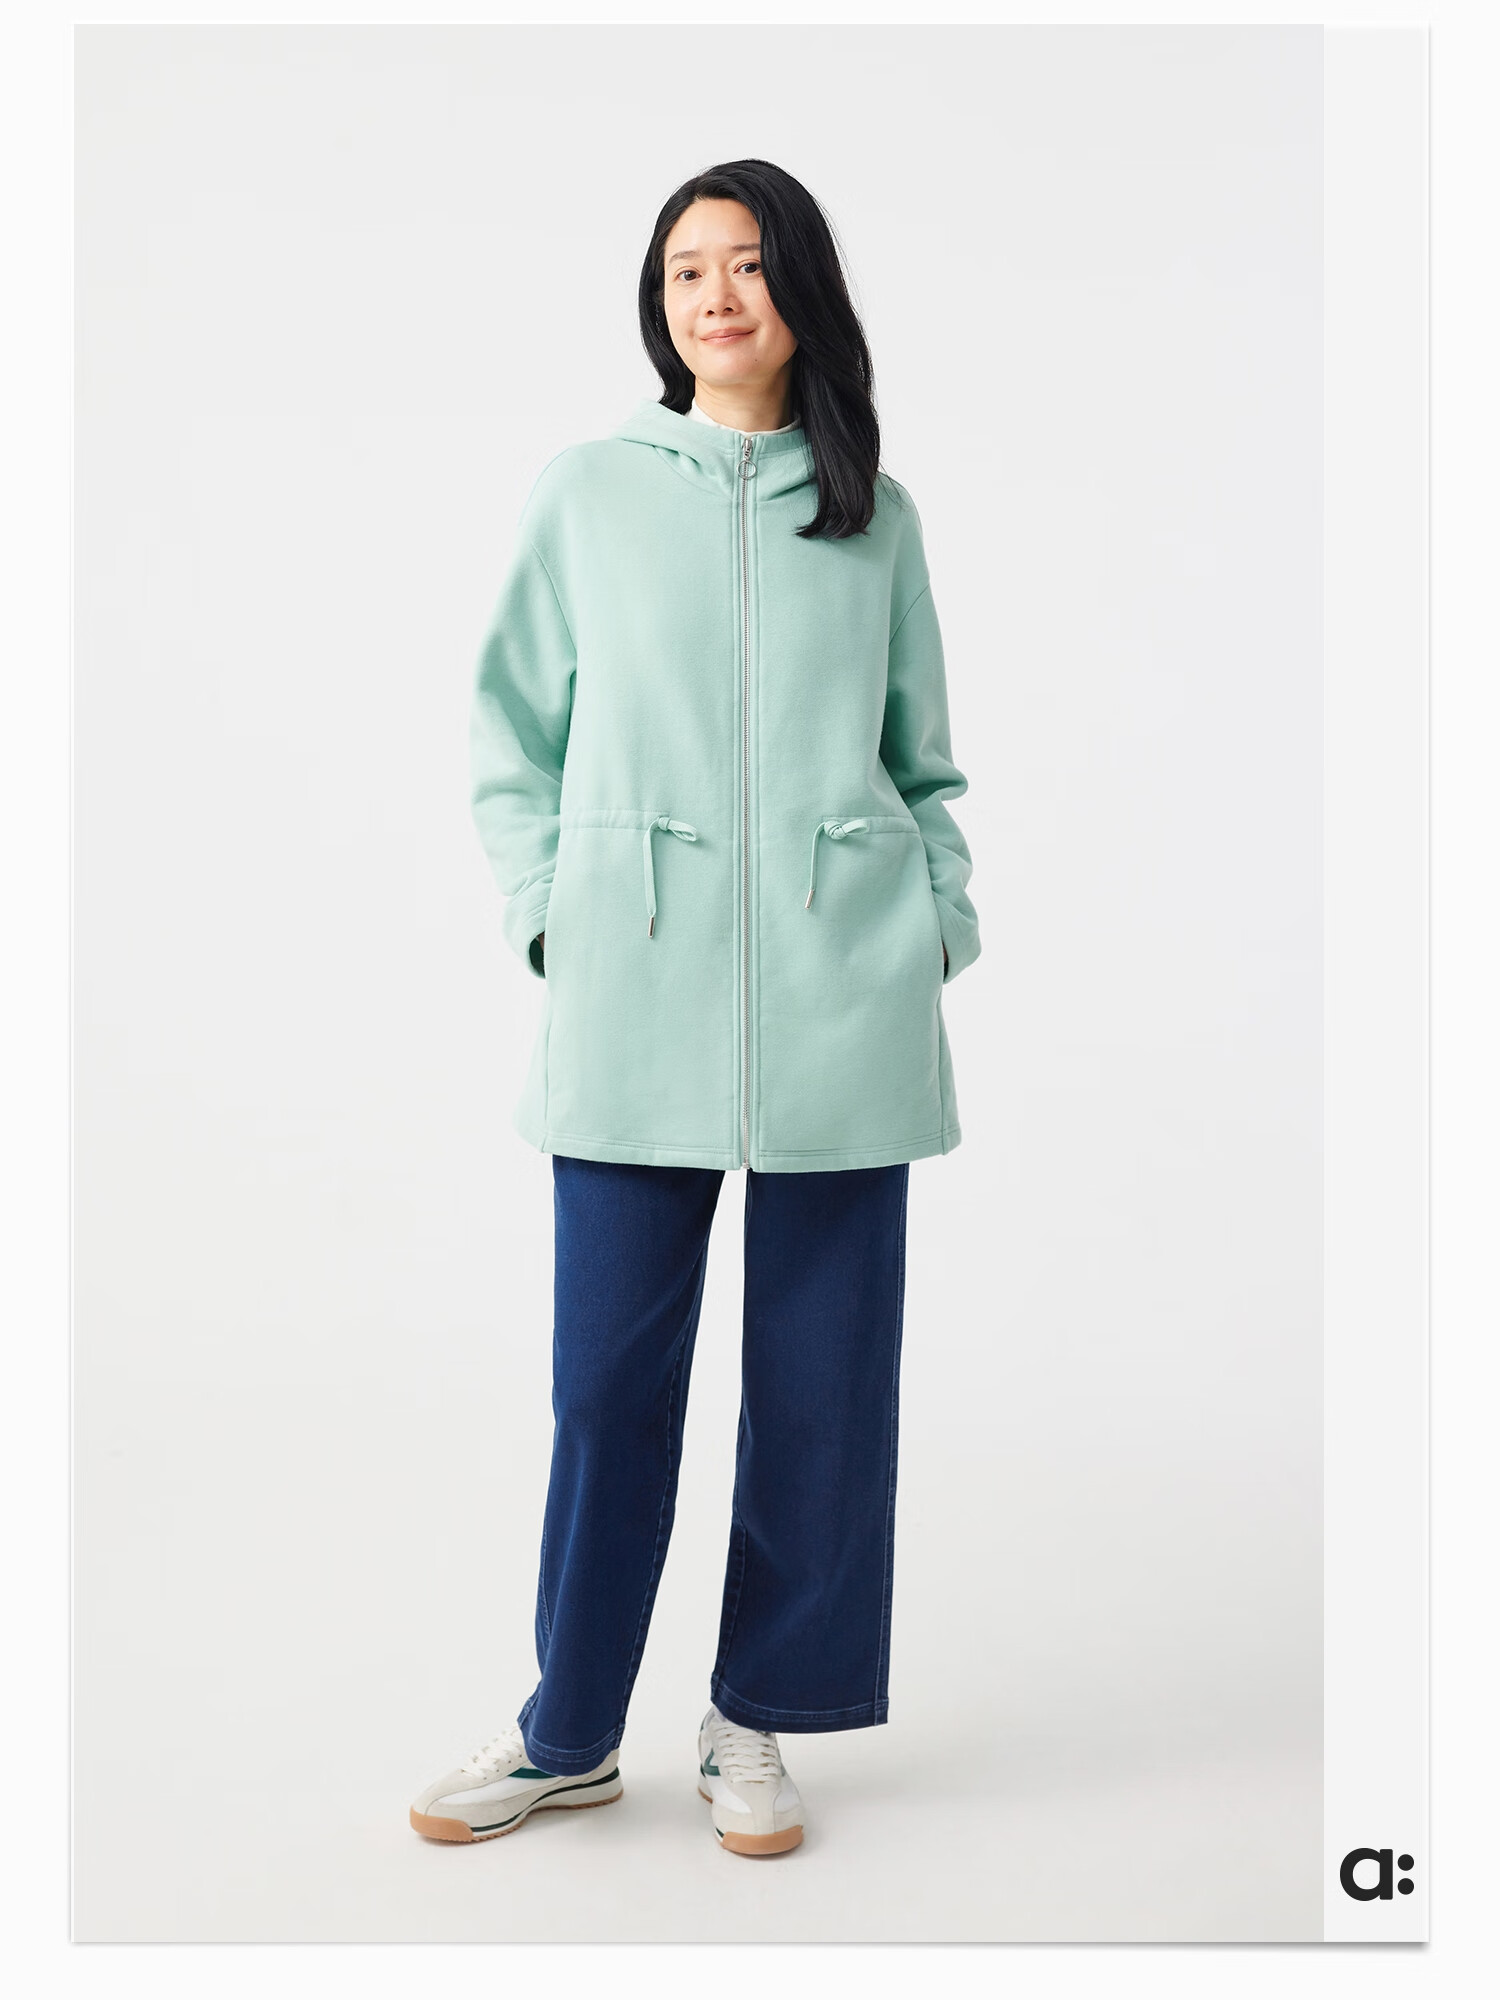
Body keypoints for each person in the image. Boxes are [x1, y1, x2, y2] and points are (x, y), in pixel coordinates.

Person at [410, 158, 980, 1858]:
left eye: (743, 264)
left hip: (843, 998)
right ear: (659, 309)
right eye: (684, 272)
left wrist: (931, 924)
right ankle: (568, 1731)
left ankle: (755, 1718)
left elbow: (924, 762)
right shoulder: (590, 492)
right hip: (633, 993)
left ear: (800, 287)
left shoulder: (874, 512)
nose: (715, 295)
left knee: (822, 1393)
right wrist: (551, 914)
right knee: (607, 1385)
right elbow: (510, 734)